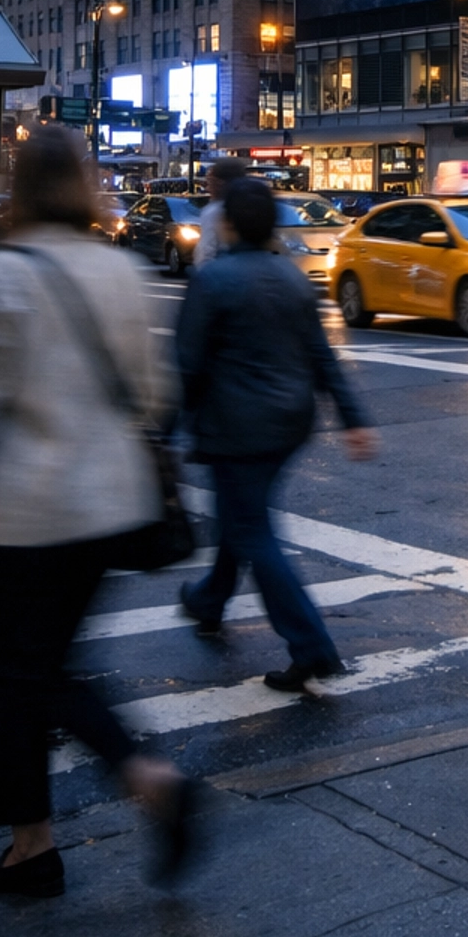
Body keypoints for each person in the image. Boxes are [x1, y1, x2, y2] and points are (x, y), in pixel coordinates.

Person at [0, 128, 197, 899]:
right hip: (112, 508)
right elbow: (156, 395)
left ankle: (138, 784)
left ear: (18, 190)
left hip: (22, 515)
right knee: (34, 669)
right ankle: (35, 845)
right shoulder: (122, 272)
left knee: (20, 670)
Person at [176, 173, 375, 688]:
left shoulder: (212, 280)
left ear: (229, 225)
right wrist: (353, 419)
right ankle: (209, 599)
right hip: (290, 420)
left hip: (236, 425)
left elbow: (188, 365)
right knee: (242, 515)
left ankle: (311, 646)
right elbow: (322, 356)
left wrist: (165, 429)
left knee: (251, 528)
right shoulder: (290, 278)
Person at [191, 154, 249, 265]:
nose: (208, 188)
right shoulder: (254, 205)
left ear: (220, 184)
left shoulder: (213, 212)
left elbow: (206, 253)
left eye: (211, 182)